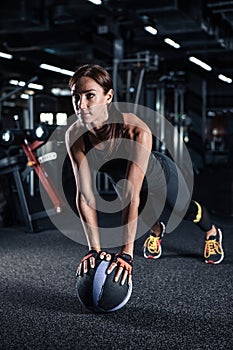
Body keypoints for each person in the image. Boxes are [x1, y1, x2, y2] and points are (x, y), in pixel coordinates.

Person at [65, 64, 224, 286]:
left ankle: (212, 233)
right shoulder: (75, 135)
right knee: (146, 217)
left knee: (184, 210)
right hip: (123, 183)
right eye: (76, 97)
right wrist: (94, 250)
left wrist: (126, 255)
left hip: (160, 176)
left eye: (90, 96)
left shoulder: (134, 129)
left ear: (108, 96)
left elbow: (133, 194)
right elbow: (85, 195)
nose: (81, 105)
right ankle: (157, 231)